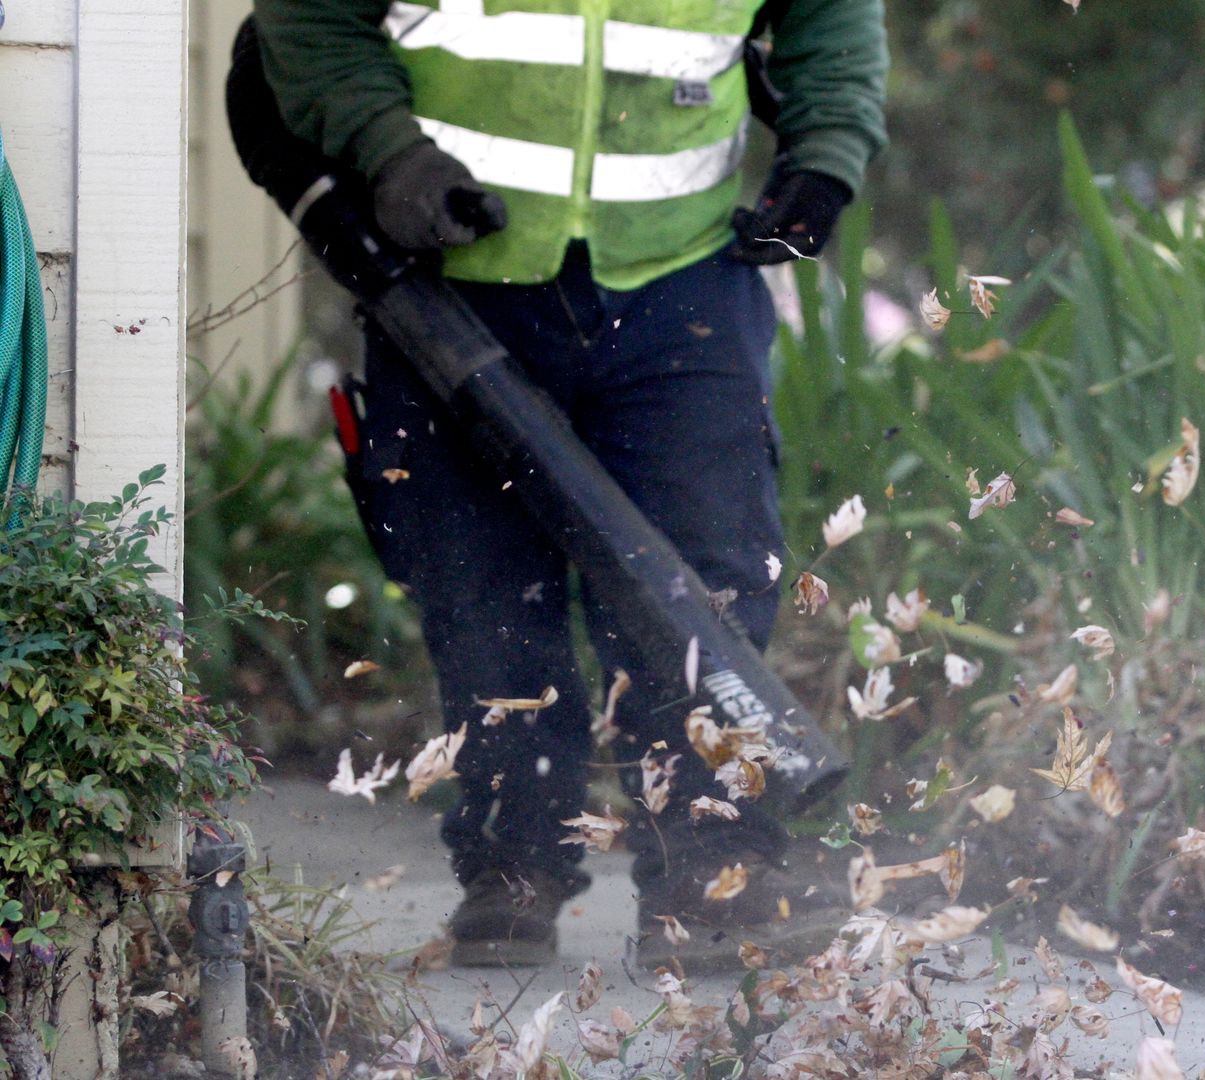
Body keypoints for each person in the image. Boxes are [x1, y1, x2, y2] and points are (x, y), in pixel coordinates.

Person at [251, 0, 887, 967]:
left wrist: (826, 156)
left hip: (683, 271)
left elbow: (832, 18)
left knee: (706, 574)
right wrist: (391, 153)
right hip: (454, 266)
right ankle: (513, 864)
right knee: (484, 589)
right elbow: (307, 20)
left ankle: (711, 871)